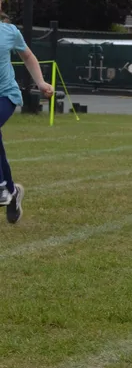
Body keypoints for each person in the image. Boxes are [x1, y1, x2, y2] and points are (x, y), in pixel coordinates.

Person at [0, 13, 54, 223]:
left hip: (6, 95)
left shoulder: (9, 31)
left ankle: (2, 187)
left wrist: (40, 82)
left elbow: (28, 56)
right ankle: (12, 191)